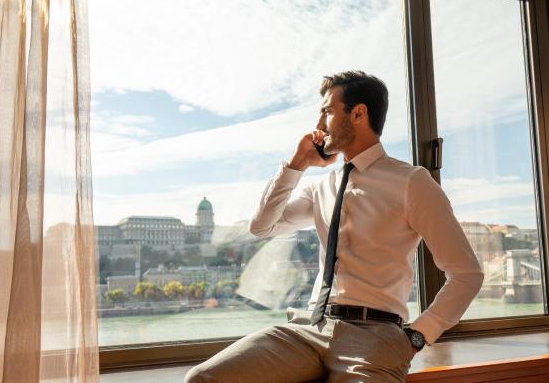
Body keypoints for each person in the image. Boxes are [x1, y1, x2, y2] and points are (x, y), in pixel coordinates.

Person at [185, 70, 484, 383]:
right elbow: (262, 227)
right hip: (308, 330)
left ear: (358, 113)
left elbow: (467, 274)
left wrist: (417, 337)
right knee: (202, 379)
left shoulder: (411, 182)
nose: (318, 125)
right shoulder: (322, 187)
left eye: (327, 111)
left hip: (375, 338)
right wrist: (297, 164)